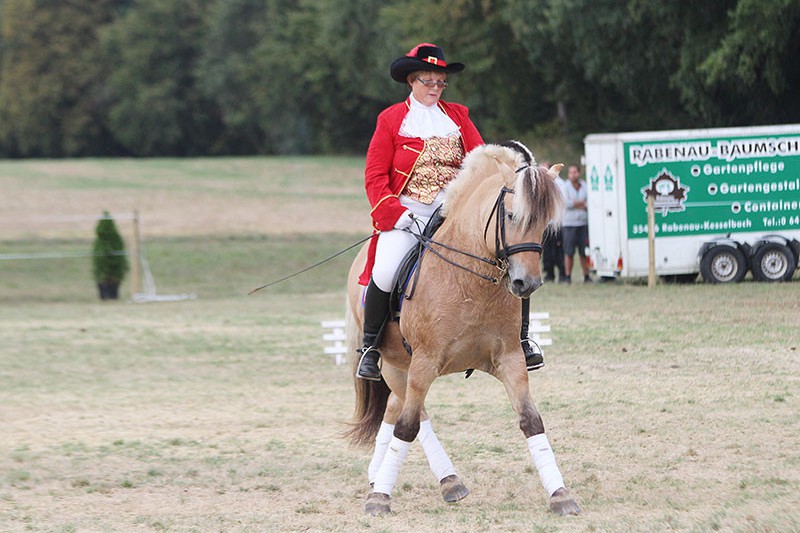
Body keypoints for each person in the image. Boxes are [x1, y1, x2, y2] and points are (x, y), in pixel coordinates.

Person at [355, 43, 543, 381]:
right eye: (428, 81)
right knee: (384, 270)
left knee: (508, 257)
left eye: (440, 82)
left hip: (454, 211)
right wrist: (395, 214)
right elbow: (374, 176)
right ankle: (370, 347)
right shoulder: (391, 120)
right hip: (408, 212)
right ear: (412, 81)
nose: (435, 88)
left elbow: (482, 159)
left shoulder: (457, 117)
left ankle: (523, 339)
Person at [561, 164, 591, 283]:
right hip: (569, 224)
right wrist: (581, 204)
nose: (573, 175)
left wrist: (575, 204)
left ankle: (586, 276)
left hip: (583, 223)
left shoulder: (585, 186)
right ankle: (568, 276)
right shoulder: (565, 187)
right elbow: (566, 203)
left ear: (579, 173)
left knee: (584, 252)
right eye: (571, 173)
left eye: (575, 172)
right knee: (569, 252)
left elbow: (590, 202)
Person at [540, 160, 566, 283]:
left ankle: (562, 273)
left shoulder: (560, 184)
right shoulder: (540, 184)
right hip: (545, 223)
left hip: (557, 223)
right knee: (547, 251)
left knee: (559, 249)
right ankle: (549, 273)